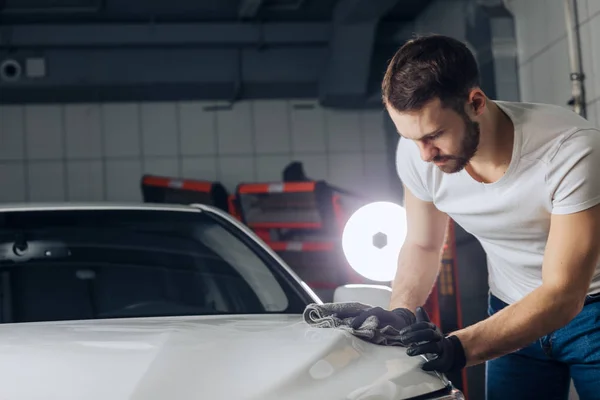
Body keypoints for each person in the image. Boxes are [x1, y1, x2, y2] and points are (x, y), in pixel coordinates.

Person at [350, 34, 600, 399]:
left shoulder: (570, 152)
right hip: (508, 309)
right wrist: (400, 314)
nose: (424, 155)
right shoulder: (420, 153)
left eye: (434, 135)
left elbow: (563, 294)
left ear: (475, 103)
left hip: (592, 314)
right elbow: (422, 243)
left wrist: (459, 348)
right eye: (411, 138)